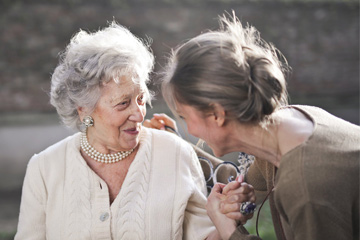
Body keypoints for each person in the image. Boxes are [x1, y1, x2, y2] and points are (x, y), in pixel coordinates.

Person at [14, 21, 255, 240]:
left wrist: (226, 217)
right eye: (123, 103)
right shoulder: (44, 169)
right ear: (84, 110)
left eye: (140, 98)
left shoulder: (174, 153)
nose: (139, 114)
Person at [152, 13, 360, 240]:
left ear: (217, 115)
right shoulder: (287, 125)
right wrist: (175, 143)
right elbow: (241, 185)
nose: (189, 130)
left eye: (184, 117)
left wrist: (229, 230)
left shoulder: (306, 186)